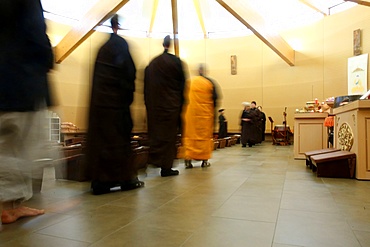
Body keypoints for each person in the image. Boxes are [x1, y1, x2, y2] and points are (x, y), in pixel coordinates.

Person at [0, 0, 54, 226]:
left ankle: (9, 205)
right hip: (19, 83)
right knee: (19, 150)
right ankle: (7, 208)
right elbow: (36, 37)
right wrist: (47, 60)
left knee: (5, 147)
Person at [85, 14, 144, 195]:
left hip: (99, 106)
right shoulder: (121, 46)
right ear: (119, 26)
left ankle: (101, 181)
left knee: (102, 142)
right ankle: (125, 179)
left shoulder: (102, 48)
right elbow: (129, 74)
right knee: (118, 142)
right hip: (116, 105)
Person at [144, 35, 186, 177]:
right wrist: (181, 105)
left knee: (157, 135)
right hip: (171, 107)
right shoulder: (176, 62)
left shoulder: (153, 63)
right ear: (171, 44)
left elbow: (146, 87)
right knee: (169, 138)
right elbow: (182, 85)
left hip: (155, 108)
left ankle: (155, 160)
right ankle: (166, 167)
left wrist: (148, 105)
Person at [182, 64, 218, 168]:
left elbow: (183, 98)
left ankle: (188, 159)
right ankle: (204, 160)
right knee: (204, 138)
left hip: (191, 115)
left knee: (190, 137)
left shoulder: (189, 83)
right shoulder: (210, 83)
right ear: (204, 71)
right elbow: (215, 100)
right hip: (205, 116)